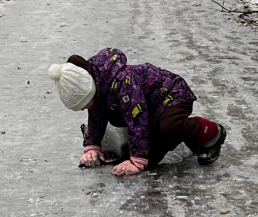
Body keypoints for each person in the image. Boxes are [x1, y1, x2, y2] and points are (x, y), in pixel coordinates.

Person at [48, 49, 227, 176]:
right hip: (151, 109)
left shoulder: (123, 81)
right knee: (145, 150)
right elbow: (96, 115)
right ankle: (185, 135)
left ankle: (212, 133)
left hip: (172, 95)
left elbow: (137, 118)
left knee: (168, 130)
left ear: (90, 87)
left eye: (86, 103)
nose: (85, 109)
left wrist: (137, 160)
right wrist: (92, 146)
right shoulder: (98, 86)